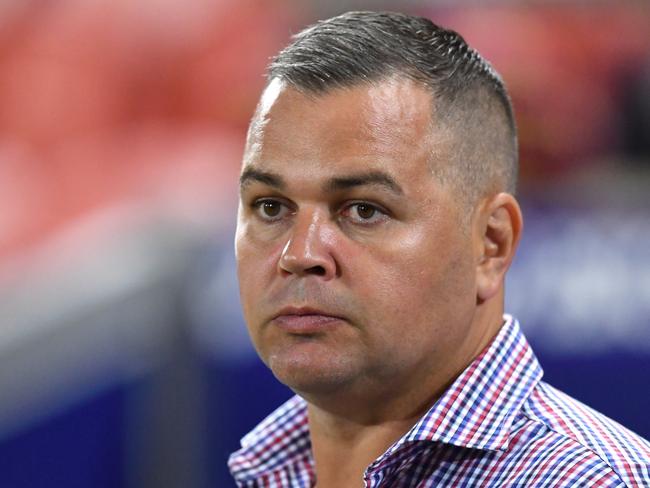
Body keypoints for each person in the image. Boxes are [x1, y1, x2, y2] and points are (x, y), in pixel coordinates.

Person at [228, 10, 650, 487]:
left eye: (364, 210)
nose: (299, 254)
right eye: (269, 206)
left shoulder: (592, 480)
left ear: (492, 244)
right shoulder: (268, 471)